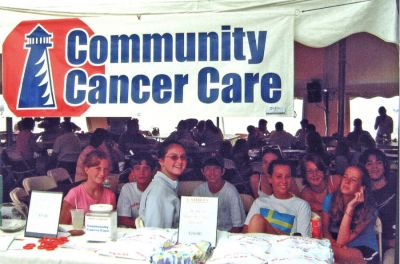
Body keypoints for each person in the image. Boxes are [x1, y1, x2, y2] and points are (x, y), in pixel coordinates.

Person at [322, 165, 378, 264]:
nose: (347, 182)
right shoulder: (330, 199)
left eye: (353, 179)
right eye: (345, 177)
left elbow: (342, 241)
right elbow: (325, 230)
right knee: (328, 253)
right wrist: (332, 243)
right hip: (337, 248)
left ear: (362, 187)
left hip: (364, 250)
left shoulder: (369, 207)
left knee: (328, 253)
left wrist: (350, 207)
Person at [243, 160, 311, 237]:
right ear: (270, 179)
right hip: (260, 245)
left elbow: (303, 240)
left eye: (287, 177)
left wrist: (266, 227)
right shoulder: (259, 202)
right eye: (279, 176)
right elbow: (246, 234)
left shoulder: (301, 205)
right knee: (257, 220)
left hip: (286, 247)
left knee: (258, 220)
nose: (284, 181)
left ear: (292, 179)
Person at [138, 140, 187, 228]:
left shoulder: (167, 186)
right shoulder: (158, 194)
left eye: (183, 157)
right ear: (161, 161)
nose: (180, 161)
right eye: (174, 157)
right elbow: (155, 234)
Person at [60, 150, 116, 224]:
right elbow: (62, 225)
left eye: (105, 169)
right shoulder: (74, 194)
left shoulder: (110, 196)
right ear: (86, 169)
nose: (102, 173)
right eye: (98, 168)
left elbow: (112, 224)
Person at [359, 149, 396, 263]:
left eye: (378, 162)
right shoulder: (362, 194)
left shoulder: (396, 182)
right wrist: (389, 242)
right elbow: (363, 233)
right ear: (363, 168)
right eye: (369, 163)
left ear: (384, 165)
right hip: (383, 246)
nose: (374, 167)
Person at [193, 155, 245, 232]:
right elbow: (193, 219)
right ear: (202, 172)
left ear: (223, 171)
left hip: (227, 233)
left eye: (216, 168)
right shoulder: (198, 191)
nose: (212, 172)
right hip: (206, 232)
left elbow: (237, 226)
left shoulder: (231, 192)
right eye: (208, 168)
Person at [117, 153, 157, 227]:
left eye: (146, 168)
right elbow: (122, 218)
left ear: (153, 172)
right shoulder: (127, 189)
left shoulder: (158, 190)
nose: (141, 173)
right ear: (132, 172)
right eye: (137, 168)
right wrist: (141, 226)